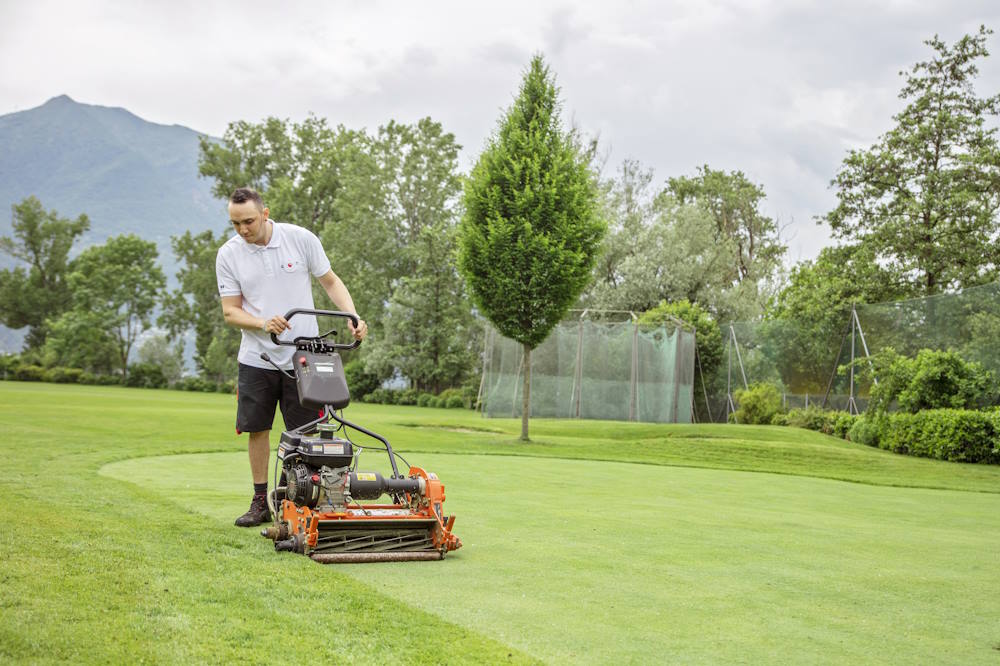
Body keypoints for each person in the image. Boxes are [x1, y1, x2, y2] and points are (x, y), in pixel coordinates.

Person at [216, 187, 368, 527]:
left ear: (265, 213)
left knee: (305, 431)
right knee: (258, 430)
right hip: (257, 357)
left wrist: (352, 316)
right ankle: (260, 502)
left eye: (249, 221)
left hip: (305, 356)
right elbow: (230, 312)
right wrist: (261, 322)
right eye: (235, 223)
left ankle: (292, 499)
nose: (243, 230)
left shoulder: (300, 239)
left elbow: (330, 281)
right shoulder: (228, 255)